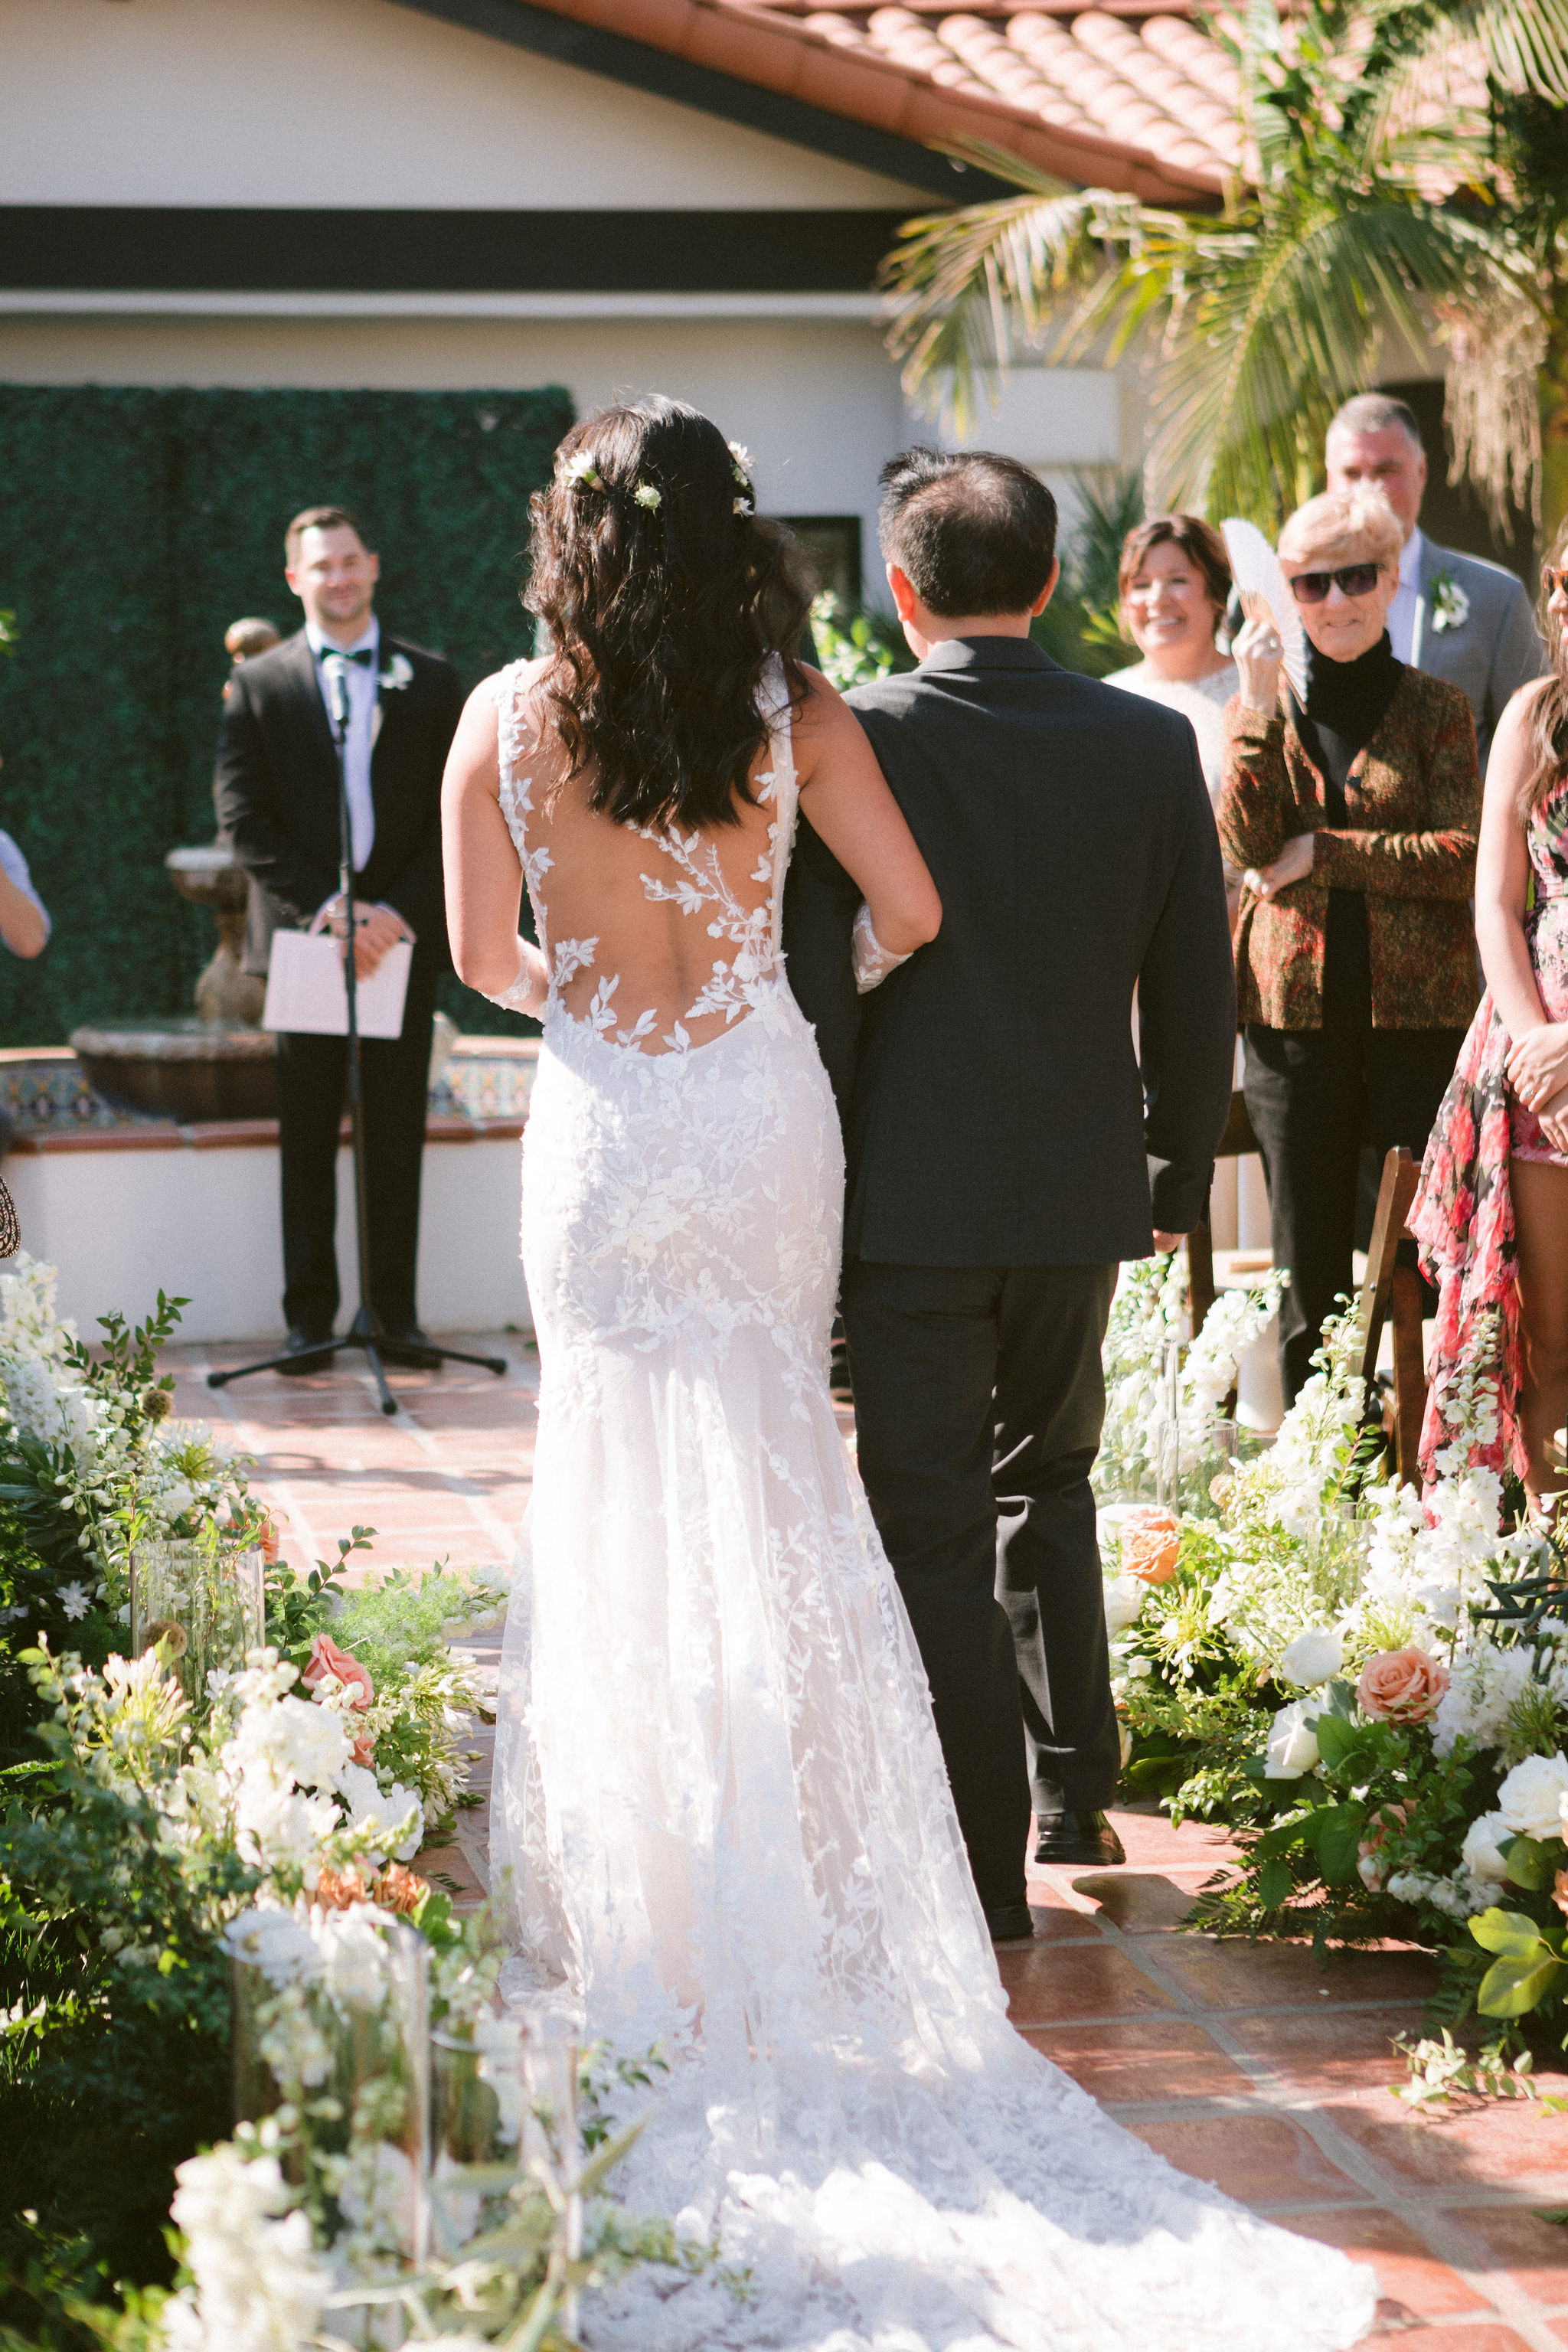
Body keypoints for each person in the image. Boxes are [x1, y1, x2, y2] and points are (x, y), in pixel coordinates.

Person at [446, 398, 1371, 2352]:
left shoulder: (501, 717)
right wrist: (770, 1004)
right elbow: (912, 912)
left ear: (569, 538)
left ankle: (646, 1914)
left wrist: (596, 1011)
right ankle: (844, 1886)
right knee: (787, 1474)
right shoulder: (794, 711)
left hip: (603, 1128)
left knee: (610, 1486)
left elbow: (480, 953)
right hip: (756, 1117)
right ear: (737, 539)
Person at [786, 450, 1235, 1892]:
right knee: (1051, 1483)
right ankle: (1070, 1798)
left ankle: (970, 1860)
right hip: (1076, 1185)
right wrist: (1169, 1174)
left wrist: (810, 1180)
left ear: (899, 589)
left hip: (904, 1191)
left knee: (926, 1514)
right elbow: (1195, 982)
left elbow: (818, 988)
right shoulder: (1144, 740)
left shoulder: (852, 735)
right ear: (1048, 581)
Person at [1219, 485, 1482, 1406]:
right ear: (1285, 592)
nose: (1335, 600)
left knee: (1420, 1252)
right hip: (1290, 1019)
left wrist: (1322, 853)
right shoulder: (1260, 708)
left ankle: (1427, 1445)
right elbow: (1248, 843)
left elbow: (1462, 855)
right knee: (1306, 1256)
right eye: (1312, 582)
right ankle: (1319, 1453)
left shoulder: (1437, 708)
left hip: (1417, 1020)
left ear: (1390, 580)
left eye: (1357, 577)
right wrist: (1254, 708)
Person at [214, 506, 462, 1366]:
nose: (340, 577)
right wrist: (329, 907)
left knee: (396, 1130)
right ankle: (309, 1321)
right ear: (296, 580)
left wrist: (396, 912)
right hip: (305, 936)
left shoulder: (434, 682)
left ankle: (393, 1316)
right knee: (308, 1133)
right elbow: (242, 817)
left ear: (374, 566)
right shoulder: (259, 685)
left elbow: (457, 814)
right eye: (322, 566)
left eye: (351, 561)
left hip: (400, 935)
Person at [1411, 542, 1568, 1505]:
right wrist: (1534, 1041)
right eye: (1561, 585)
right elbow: (1493, 904)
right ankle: (1556, 1569)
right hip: (1535, 1065)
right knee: (1547, 1339)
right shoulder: (1532, 714)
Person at [1325, 392, 1544, 769]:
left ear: (1421, 471)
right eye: (1351, 474)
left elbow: (1537, 747)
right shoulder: (1298, 596)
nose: (1367, 490)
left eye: (1385, 471)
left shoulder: (1497, 598)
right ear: (1329, 480)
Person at [1103, 511, 1239, 804]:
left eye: (1178, 580)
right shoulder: (1101, 700)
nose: (1157, 599)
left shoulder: (1256, 691)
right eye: (1141, 584)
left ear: (1216, 594)